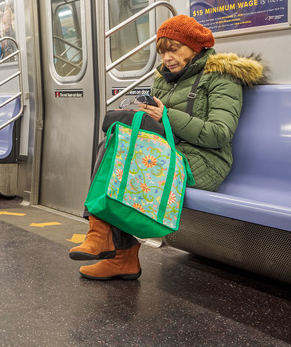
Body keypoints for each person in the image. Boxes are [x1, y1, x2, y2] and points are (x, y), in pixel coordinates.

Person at [70, 15, 266, 280]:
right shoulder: (164, 79)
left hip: (204, 162)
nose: (167, 58)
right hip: (171, 152)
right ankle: (110, 245)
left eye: (174, 50)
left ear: (195, 48)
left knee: (123, 161)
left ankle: (112, 246)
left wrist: (166, 115)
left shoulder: (221, 77)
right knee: (118, 145)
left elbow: (219, 134)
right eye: (162, 52)